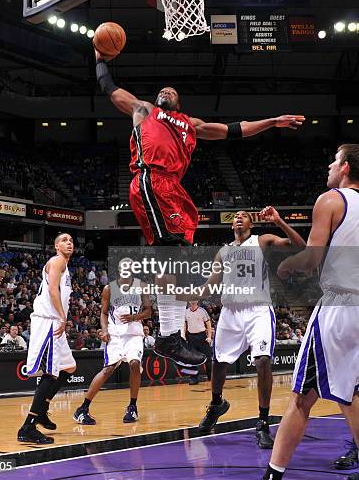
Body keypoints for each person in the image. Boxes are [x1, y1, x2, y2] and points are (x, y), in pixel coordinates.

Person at [95, 48, 305, 367]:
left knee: (178, 256)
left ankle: (168, 337)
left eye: (172, 91)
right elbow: (111, 90)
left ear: (179, 103)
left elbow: (237, 129)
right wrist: (100, 60)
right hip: (151, 178)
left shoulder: (191, 124)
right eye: (162, 90)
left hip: (173, 191)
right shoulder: (145, 111)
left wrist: (274, 121)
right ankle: (167, 337)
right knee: (172, 254)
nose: (165, 91)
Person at [262, 144, 359, 479]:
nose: (329, 167)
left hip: (340, 306)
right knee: (353, 393)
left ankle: (274, 473)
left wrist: (288, 264)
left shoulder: (331, 199)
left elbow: (312, 257)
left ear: (345, 167)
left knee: (302, 397)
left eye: (334, 160)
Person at [198, 207, 305, 449]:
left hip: (257, 309)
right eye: (235, 215)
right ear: (231, 225)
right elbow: (211, 283)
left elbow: (300, 246)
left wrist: (278, 221)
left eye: (244, 215)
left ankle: (263, 422)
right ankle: (216, 404)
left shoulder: (262, 240)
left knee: (262, 361)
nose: (238, 217)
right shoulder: (224, 251)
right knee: (219, 362)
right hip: (230, 311)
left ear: (251, 224)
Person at [74, 259, 151, 425]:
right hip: (116, 335)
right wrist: (105, 330)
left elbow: (148, 312)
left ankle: (132, 407)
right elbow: (103, 313)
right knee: (108, 370)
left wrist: (134, 317)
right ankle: (83, 408)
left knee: (135, 364)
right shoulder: (109, 289)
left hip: (134, 335)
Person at [17, 233, 76, 445]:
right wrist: (62, 317)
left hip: (55, 322)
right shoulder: (57, 260)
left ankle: (42, 410)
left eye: (71, 240)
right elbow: (52, 290)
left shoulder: (65, 266)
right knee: (51, 374)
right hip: (49, 322)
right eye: (64, 240)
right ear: (56, 245)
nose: (69, 243)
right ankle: (28, 426)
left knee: (69, 368)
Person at [184, 301, 212, 384]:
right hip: (191, 337)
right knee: (192, 360)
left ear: (197, 301)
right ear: (189, 302)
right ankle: (194, 378)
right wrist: (183, 336)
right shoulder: (186, 312)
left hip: (202, 337)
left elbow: (208, 323)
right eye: (191, 300)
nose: (193, 302)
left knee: (208, 359)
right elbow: (184, 325)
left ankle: (211, 377)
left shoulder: (202, 311)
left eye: (194, 300)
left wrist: (209, 337)